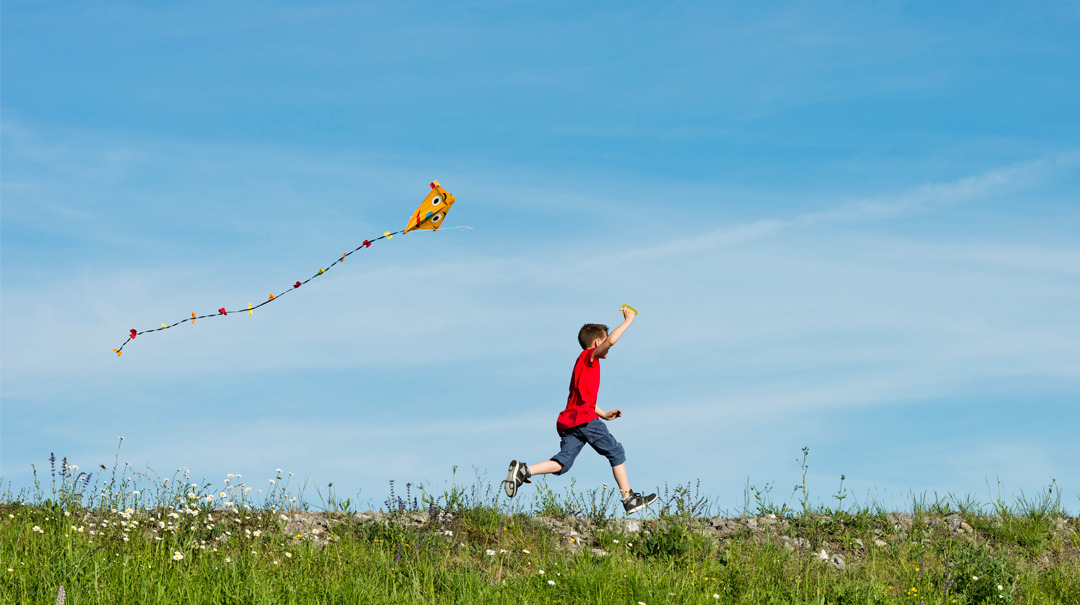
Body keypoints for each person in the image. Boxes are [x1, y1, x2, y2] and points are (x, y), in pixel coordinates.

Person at [503, 306, 657, 514]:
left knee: (563, 462)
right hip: (584, 421)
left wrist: (604, 415)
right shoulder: (589, 358)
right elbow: (610, 340)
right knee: (616, 452)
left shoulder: (581, 365)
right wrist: (628, 321)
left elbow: (585, 400)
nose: (608, 347)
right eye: (603, 343)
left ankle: (525, 469)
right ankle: (628, 498)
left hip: (571, 422)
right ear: (596, 343)